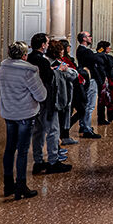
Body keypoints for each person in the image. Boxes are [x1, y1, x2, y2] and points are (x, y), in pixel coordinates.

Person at [0, 40, 48, 200]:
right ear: (24, 55)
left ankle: (8, 185)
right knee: (23, 151)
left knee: (9, 149)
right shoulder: (29, 71)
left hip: (9, 113)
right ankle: (20, 185)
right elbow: (41, 95)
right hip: (25, 114)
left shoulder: (3, 68)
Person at [29, 33, 71, 176]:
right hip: (47, 100)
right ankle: (53, 161)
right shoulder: (43, 61)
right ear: (42, 45)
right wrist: (58, 71)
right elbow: (48, 79)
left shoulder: (29, 58)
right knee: (53, 131)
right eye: (46, 43)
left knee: (38, 132)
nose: (47, 45)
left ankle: (38, 161)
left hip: (34, 101)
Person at [75, 32, 104, 139]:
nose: (91, 38)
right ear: (84, 38)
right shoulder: (85, 51)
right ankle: (86, 128)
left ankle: (84, 125)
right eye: (89, 36)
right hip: (90, 78)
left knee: (86, 104)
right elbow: (98, 60)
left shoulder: (81, 50)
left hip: (87, 78)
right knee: (90, 105)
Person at [58, 38, 82, 146]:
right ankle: (64, 133)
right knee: (69, 112)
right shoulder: (62, 61)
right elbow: (72, 74)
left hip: (71, 89)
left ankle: (64, 132)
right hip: (68, 89)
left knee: (70, 112)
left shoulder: (68, 59)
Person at [96, 40, 113, 125]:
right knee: (108, 98)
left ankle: (103, 118)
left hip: (102, 80)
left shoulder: (99, 56)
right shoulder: (104, 57)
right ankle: (108, 117)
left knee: (103, 99)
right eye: (108, 47)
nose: (109, 48)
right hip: (105, 80)